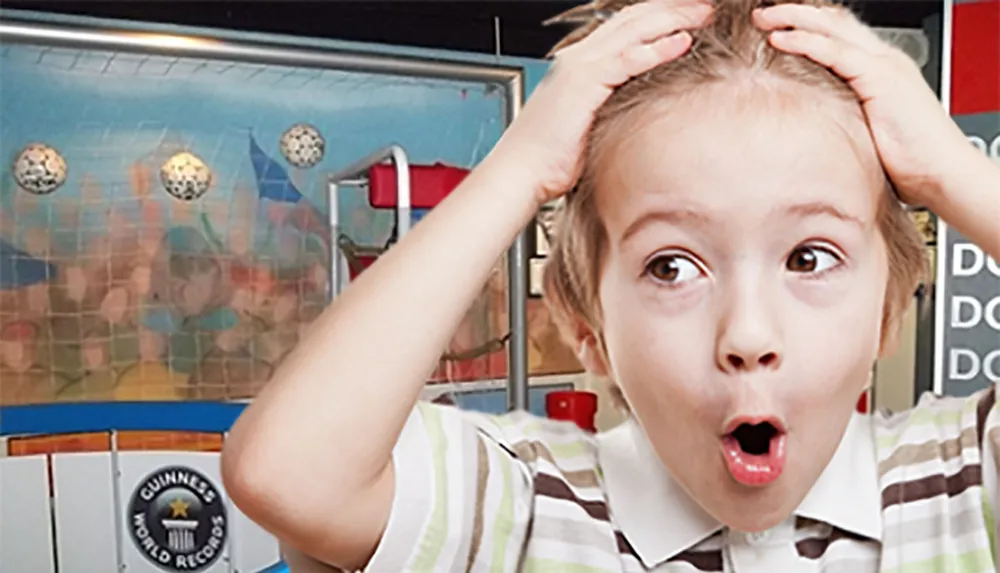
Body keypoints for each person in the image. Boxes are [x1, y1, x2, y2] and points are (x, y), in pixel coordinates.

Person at [221, 0, 1000, 570]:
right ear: (588, 326)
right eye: (672, 266)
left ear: (889, 310)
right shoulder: (524, 506)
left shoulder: (967, 482)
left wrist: (953, 170)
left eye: (808, 257)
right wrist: (519, 167)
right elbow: (289, 473)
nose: (749, 336)